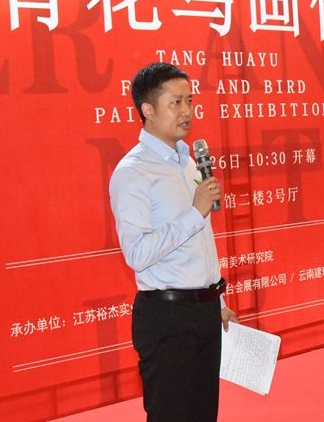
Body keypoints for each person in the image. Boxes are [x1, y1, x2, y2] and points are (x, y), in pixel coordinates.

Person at [109, 62, 237, 421]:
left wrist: (217, 299)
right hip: (166, 319)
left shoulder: (189, 161)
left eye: (190, 101)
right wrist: (195, 212)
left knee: (203, 414)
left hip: (204, 312)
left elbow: (201, 241)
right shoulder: (133, 173)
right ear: (148, 110)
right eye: (176, 102)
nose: (187, 111)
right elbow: (137, 253)